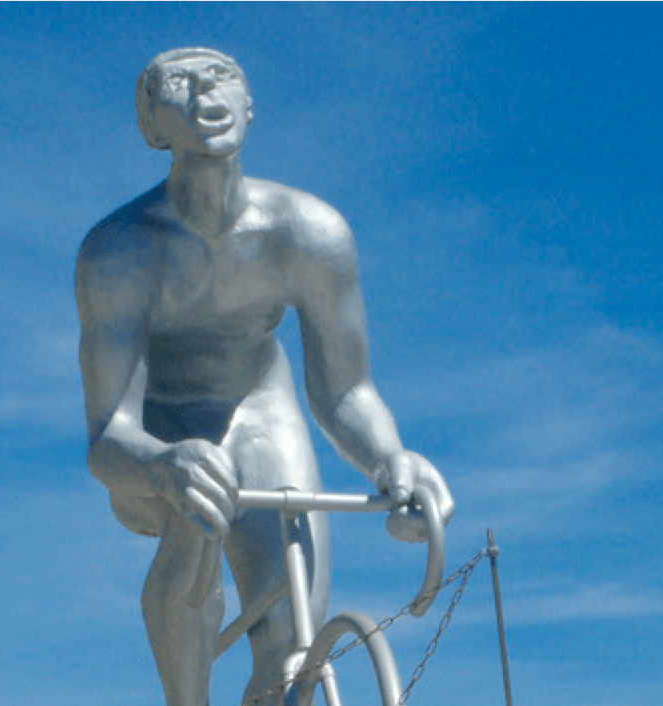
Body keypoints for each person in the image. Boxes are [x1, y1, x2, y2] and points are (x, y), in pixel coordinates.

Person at [75, 47, 454, 706]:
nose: (206, 96)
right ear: (153, 124)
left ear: (251, 106)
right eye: (180, 84)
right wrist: (164, 465)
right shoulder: (118, 252)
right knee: (193, 512)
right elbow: (109, 435)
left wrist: (392, 461)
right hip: (157, 431)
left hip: (258, 405)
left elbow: (346, 392)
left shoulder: (308, 232)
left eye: (222, 78)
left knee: (292, 645)